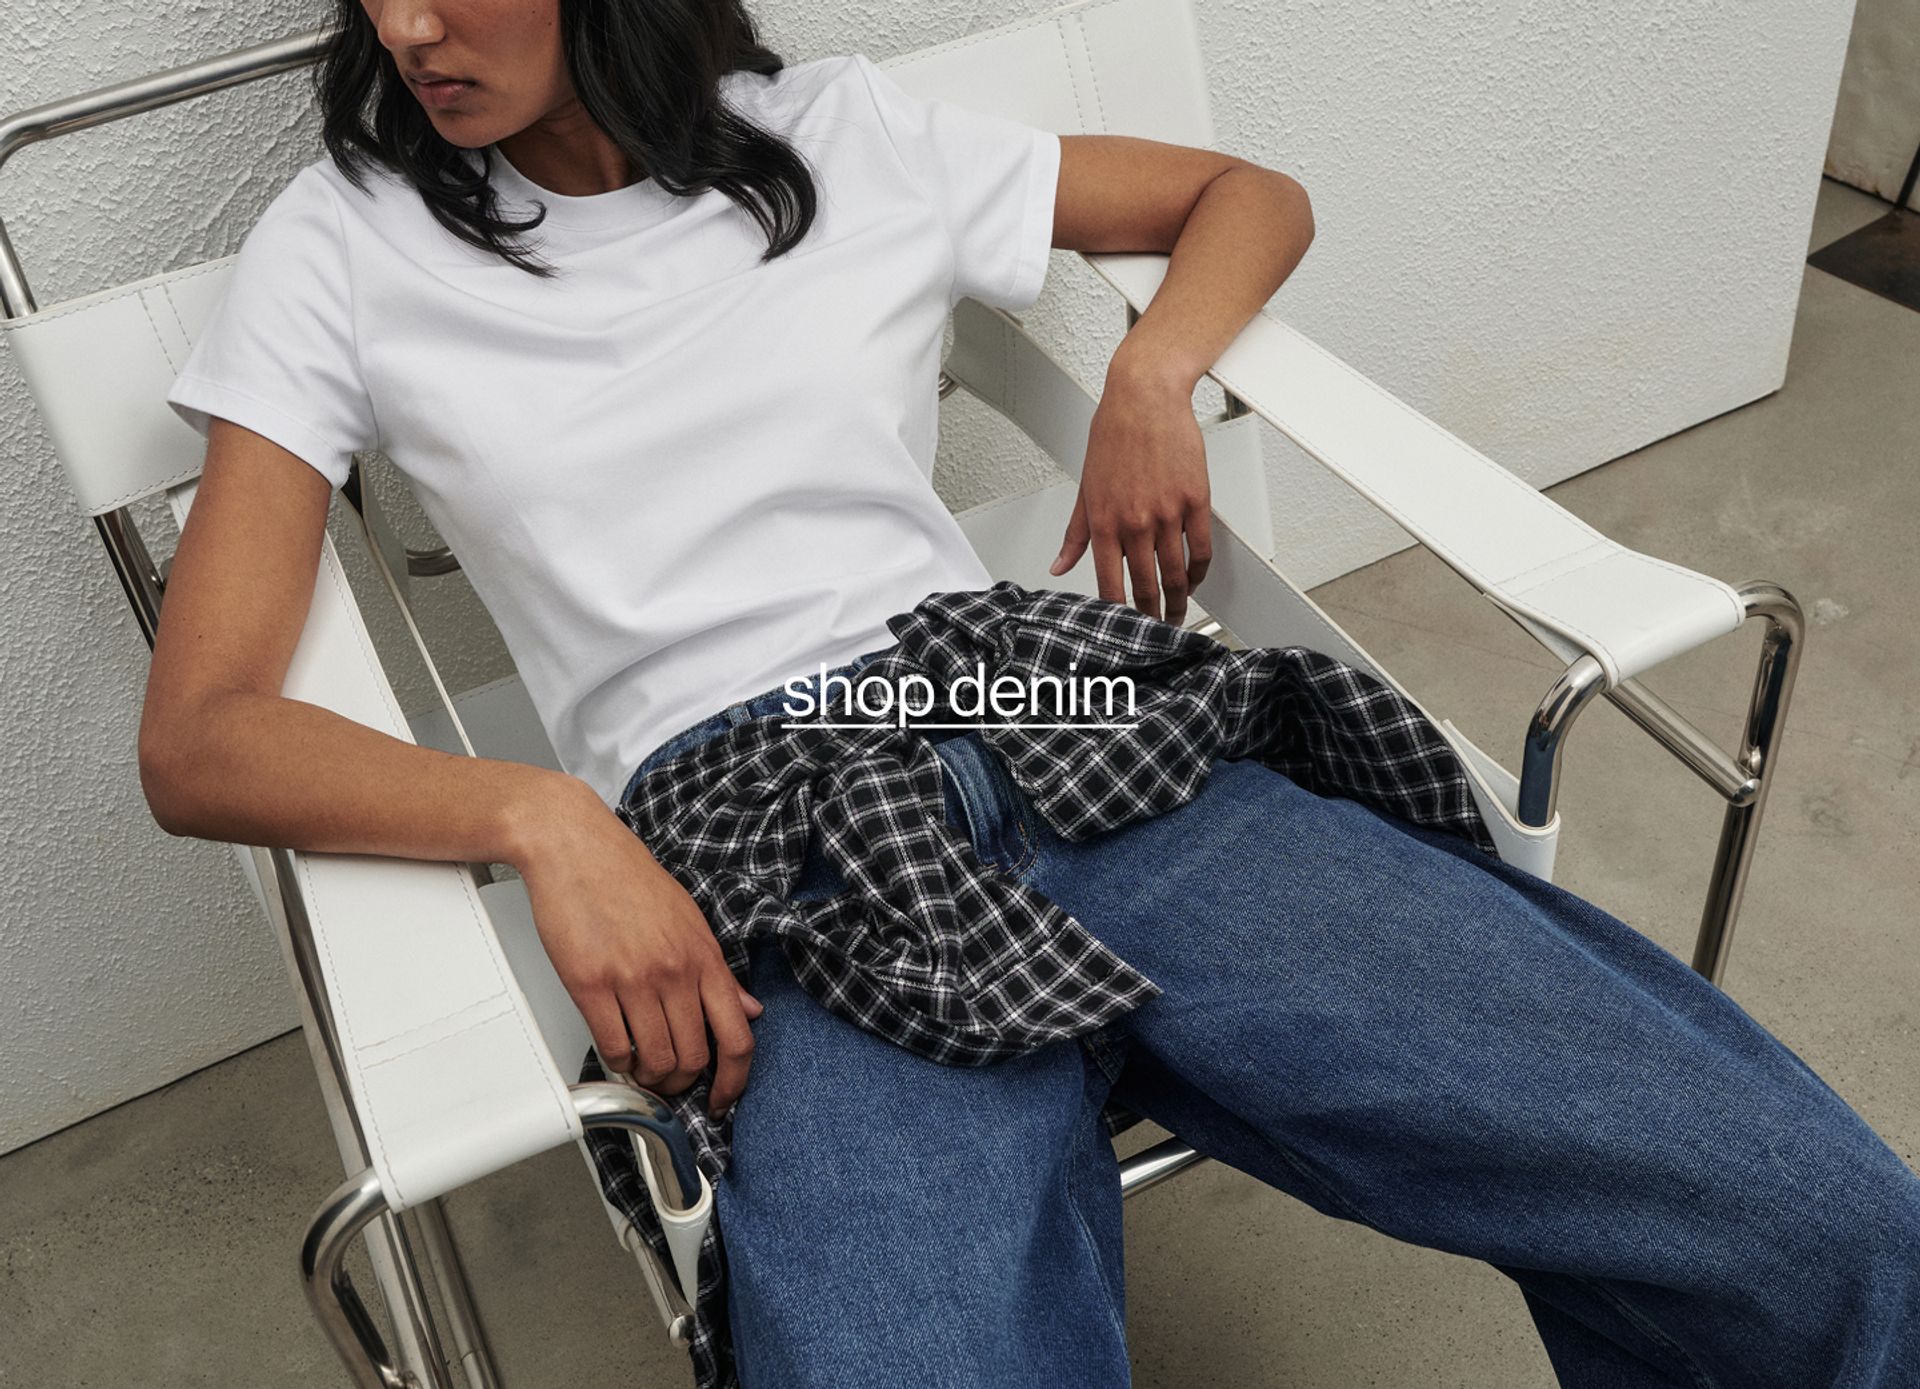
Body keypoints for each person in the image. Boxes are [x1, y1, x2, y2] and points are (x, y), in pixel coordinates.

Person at [136, 0, 1920, 1386]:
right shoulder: (347, 243)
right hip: (771, 849)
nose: (405, 29)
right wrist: (541, 814)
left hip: (1046, 706)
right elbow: (202, 729)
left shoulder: (831, 133)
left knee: (1807, 1209)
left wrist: (1153, 368)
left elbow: (1247, 197)